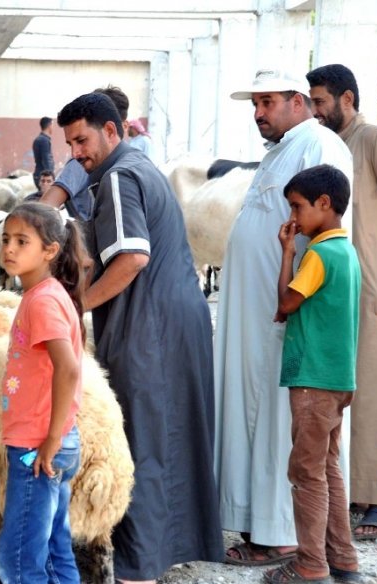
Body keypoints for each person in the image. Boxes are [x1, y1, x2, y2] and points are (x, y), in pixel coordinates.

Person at [57, 92, 223, 583]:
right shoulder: (139, 168)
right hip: (175, 319)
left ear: (113, 130)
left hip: (151, 324)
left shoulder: (120, 176)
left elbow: (132, 257)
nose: (77, 153)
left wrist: (75, 306)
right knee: (172, 435)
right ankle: (167, 547)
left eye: (82, 140)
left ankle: (139, 567)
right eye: (69, 144)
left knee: (143, 442)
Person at [216, 68, 353, 566]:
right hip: (258, 316)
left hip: (289, 318)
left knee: (281, 420)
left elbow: (325, 235)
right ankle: (261, 523)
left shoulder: (319, 145)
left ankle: (281, 535)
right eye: (255, 103)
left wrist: (297, 303)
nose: (258, 112)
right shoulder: (282, 150)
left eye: (267, 101)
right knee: (258, 412)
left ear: (298, 101)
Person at [306, 63, 377, 539]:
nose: (314, 109)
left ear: (347, 99)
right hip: (342, 293)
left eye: (320, 101)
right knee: (346, 395)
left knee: (376, 398)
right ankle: (354, 493)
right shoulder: (333, 145)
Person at [265, 164, 363, 584]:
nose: (292, 217)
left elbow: (286, 304)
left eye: (297, 207)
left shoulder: (319, 254)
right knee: (327, 467)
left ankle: (310, 565)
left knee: (306, 473)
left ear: (325, 205)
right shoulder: (347, 251)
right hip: (338, 380)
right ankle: (343, 559)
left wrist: (287, 253)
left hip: (313, 381)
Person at [0, 202, 87, 583]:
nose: (9, 249)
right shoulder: (45, 294)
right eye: (5, 240)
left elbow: (67, 368)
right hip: (51, 440)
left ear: (50, 250)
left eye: (21, 241)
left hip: (38, 446)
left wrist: (50, 439)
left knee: (17, 559)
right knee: (52, 546)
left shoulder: (44, 301)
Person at [42, 85, 133, 221]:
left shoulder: (126, 168)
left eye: (81, 140)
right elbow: (44, 207)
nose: (75, 153)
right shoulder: (82, 163)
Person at [32, 116, 55, 188]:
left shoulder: (38, 139)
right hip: (44, 178)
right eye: (52, 125)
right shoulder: (44, 140)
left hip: (39, 175)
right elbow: (46, 160)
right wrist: (50, 177)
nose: (53, 128)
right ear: (49, 125)